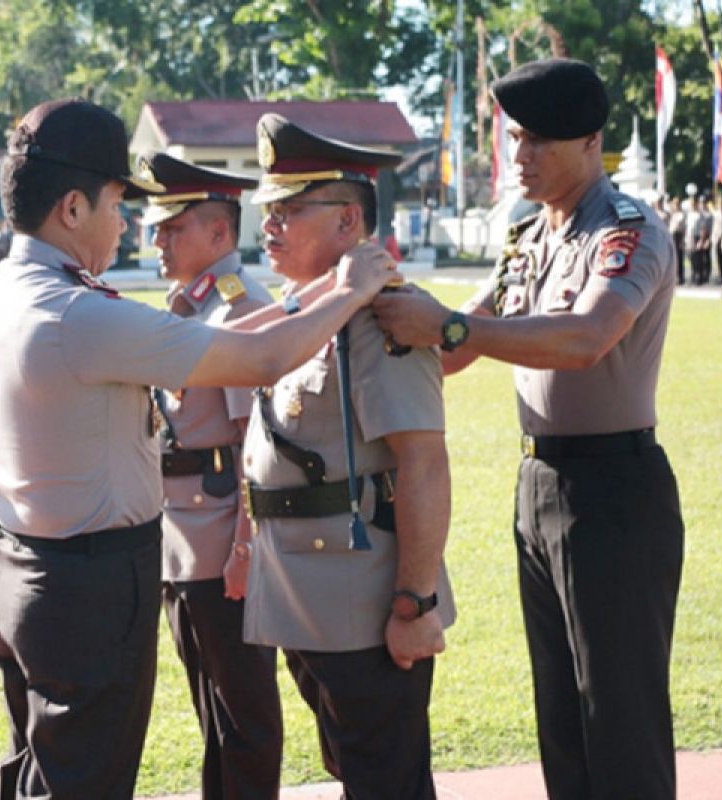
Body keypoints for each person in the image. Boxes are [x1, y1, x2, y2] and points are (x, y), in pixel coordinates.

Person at [0, 98, 396, 800]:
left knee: (37, 771)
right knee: (84, 781)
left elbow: (237, 336)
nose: (129, 224)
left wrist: (311, 293)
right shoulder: (75, 312)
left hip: (23, 565)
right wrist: (347, 291)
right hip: (85, 588)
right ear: (72, 208)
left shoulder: (11, 287)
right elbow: (259, 360)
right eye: (117, 203)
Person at [374, 58, 685, 800]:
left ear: (592, 144)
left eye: (541, 141)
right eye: (516, 139)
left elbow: (585, 338)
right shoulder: (528, 235)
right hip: (540, 484)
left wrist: (450, 324)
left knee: (620, 716)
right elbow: (458, 346)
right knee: (562, 716)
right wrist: (381, 308)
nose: (521, 157)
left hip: (613, 490)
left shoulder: (624, 229)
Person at [239, 113, 456, 800]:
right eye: (268, 209)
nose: (270, 224)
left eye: (291, 209)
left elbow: (422, 462)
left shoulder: (382, 318)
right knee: (353, 766)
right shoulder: (306, 312)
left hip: (364, 601)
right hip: (303, 592)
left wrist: (415, 602)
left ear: (347, 225)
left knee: (384, 778)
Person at [139, 150, 283, 799]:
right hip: (182, 539)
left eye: (174, 228)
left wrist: (247, 548)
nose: (157, 239)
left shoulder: (241, 310)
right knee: (212, 714)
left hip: (224, 543)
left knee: (244, 717)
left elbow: (259, 441)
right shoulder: (187, 309)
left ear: (220, 234)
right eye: (157, 227)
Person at [684, 194, 713, 286]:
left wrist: (701, 240)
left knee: (699, 259)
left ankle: (699, 277)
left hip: (697, 237)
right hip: (690, 237)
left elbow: (703, 228)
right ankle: (693, 276)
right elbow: (688, 227)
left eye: (694, 204)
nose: (693, 206)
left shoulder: (700, 215)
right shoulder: (689, 214)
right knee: (691, 258)